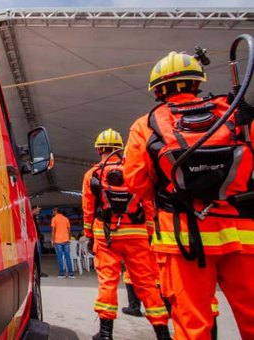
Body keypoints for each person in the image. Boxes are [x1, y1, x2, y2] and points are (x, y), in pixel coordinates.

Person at [124, 50, 254, 339]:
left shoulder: (145, 125)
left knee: (193, 324)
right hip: (243, 234)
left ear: (157, 89)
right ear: (198, 82)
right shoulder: (235, 114)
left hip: (183, 238)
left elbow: (136, 183)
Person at [82, 128, 170, 340]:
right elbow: (148, 203)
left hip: (106, 236)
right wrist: (149, 233)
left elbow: (88, 208)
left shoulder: (92, 174)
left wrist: (89, 236)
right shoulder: (134, 170)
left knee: (107, 283)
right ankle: (163, 333)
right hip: (137, 235)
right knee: (147, 284)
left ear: (99, 149)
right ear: (120, 149)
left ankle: (105, 334)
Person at [51, 207, 76, 279]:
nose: (52, 213)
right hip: (66, 240)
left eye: (53, 211)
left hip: (58, 241)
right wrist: (68, 238)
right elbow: (69, 230)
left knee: (60, 257)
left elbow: (53, 230)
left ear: (56, 211)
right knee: (68, 256)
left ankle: (61, 273)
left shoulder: (54, 219)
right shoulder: (66, 219)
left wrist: (52, 240)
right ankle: (71, 273)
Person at [32, 205, 48, 278]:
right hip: (33, 240)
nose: (38, 211)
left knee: (38, 257)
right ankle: (37, 272)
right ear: (34, 209)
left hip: (36, 239)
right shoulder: (30, 216)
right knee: (35, 257)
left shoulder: (34, 217)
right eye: (38, 210)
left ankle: (38, 271)